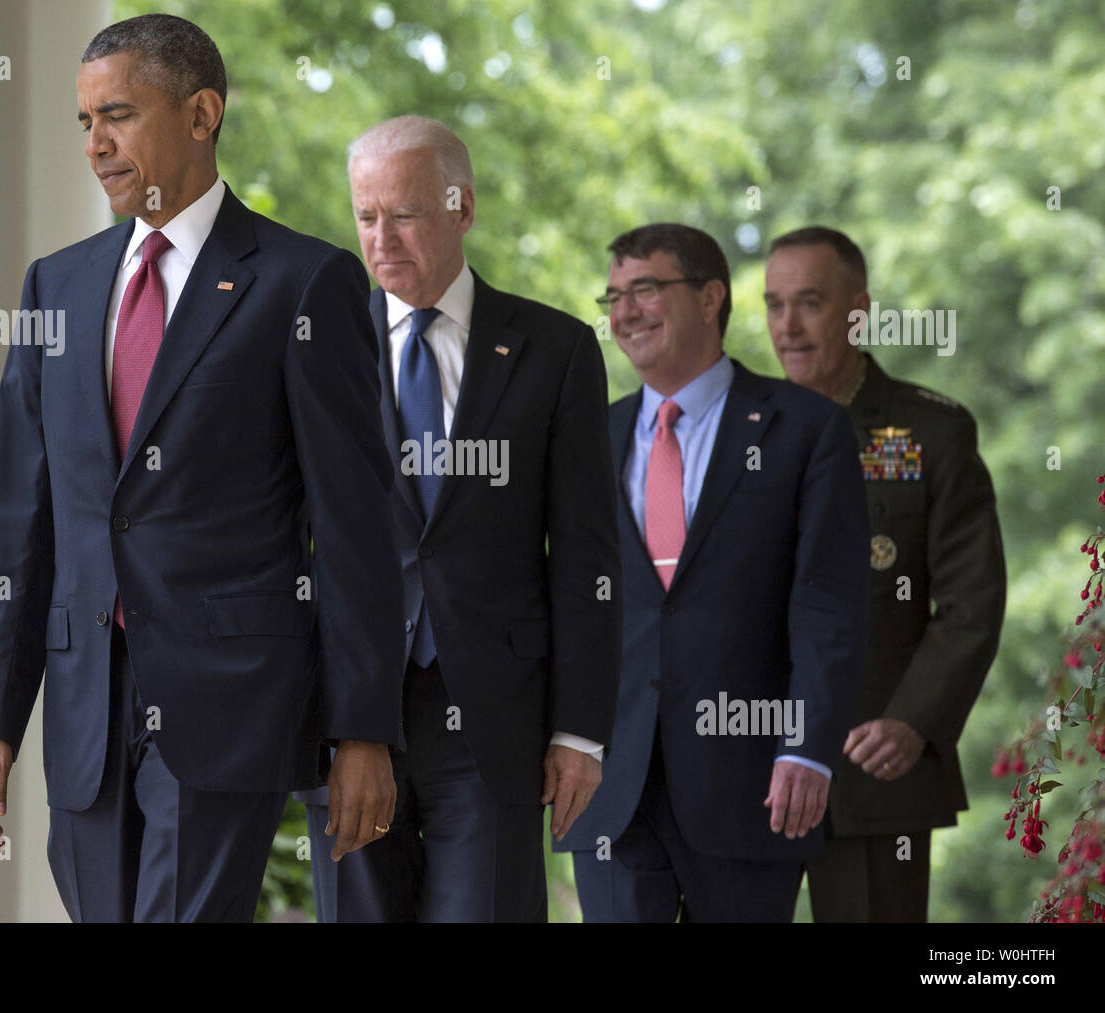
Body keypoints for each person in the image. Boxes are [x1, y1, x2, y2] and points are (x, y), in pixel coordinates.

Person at [0, 13, 405, 922]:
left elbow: (354, 528)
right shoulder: (57, 287)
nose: (96, 145)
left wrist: (363, 727)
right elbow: (20, 521)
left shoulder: (303, 283)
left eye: (117, 114)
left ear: (202, 114)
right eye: (83, 122)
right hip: (86, 705)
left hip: (228, 702)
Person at [301, 116, 622, 922]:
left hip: (495, 726)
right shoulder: (311, 347)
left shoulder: (556, 349)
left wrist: (580, 732)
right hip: (349, 720)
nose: (381, 239)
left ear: (461, 207)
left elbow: (586, 555)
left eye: (403, 214)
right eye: (366, 216)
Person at [557, 223, 868, 922]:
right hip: (610, 788)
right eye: (613, 296)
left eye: (645, 289)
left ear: (710, 298)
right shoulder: (585, 437)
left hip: (752, 783)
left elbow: (830, 607)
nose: (624, 311)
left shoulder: (805, 428)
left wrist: (809, 748)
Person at [764, 225, 1005, 921]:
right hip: (742, 767)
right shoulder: (738, 427)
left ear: (858, 311)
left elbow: (972, 603)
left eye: (809, 302)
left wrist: (913, 721)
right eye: (774, 305)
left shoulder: (932, 431)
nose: (789, 326)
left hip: (873, 768)